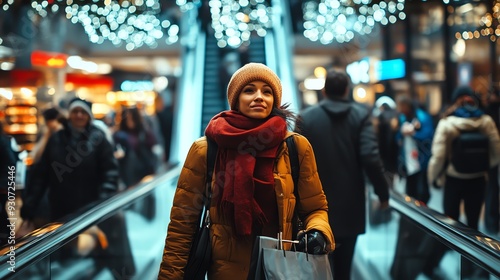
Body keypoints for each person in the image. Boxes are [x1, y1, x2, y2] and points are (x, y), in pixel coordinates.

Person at [158, 63, 334, 279]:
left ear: (274, 101)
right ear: (236, 99)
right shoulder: (206, 149)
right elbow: (182, 224)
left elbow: (315, 207)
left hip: (281, 268)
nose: (259, 96)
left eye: (267, 91)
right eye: (249, 90)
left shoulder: (296, 147)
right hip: (226, 271)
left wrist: (318, 231)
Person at [296, 69, 389, 280]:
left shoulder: (306, 117)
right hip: (350, 206)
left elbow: (295, 163)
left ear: (324, 90)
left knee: (316, 267)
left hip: (313, 208)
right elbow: (371, 158)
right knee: (344, 270)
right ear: (347, 90)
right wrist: (383, 195)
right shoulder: (361, 115)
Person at [21, 97, 118, 222]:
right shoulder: (56, 139)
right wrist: (29, 208)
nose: (79, 115)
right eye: (75, 111)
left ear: (89, 116)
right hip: (60, 209)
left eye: (83, 112)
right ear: (69, 115)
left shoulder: (98, 138)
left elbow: (110, 172)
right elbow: (42, 175)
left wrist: (102, 202)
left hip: (90, 210)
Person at [428, 86, 500, 230]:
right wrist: (485, 167)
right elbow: (497, 151)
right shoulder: (486, 121)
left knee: (451, 222)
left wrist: (433, 177)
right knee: (473, 224)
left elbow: (439, 156)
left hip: (454, 178)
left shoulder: (447, 123)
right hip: (478, 179)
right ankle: (469, 253)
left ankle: (453, 249)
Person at [396, 95, 434, 204]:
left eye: (402, 106)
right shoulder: (402, 117)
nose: (401, 109)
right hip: (407, 158)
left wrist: (413, 133)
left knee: (422, 189)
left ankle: (422, 210)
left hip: (421, 158)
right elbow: (398, 136)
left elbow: (428, 135)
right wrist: (401, 134)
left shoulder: (422, 116)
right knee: (410, 188)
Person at [113, 107, 158, 188]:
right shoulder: (120, 135)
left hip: (146, 168)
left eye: (132, 118)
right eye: (128, 118)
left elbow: (152, 143)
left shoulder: (142, 131)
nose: (130, 121)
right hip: (130, 172)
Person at [0, 122, 17, 245]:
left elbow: (11, 163)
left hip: (2, 186)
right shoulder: (5, 140)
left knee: (2, 212)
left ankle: (6, 238)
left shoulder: (2, 141)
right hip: (4, 185)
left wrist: (6, 185)